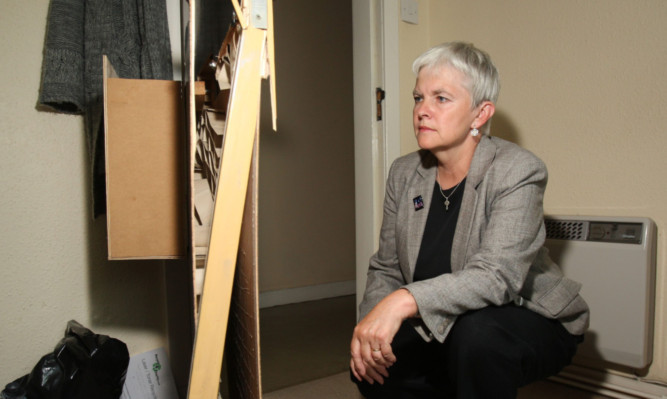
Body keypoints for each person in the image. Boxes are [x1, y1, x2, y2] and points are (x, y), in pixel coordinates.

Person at [349, 42, 590, 399]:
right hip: (442, 317)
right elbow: (386, 268)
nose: (422, 111)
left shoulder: (518, 170)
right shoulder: (404, 173)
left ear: (480, 114)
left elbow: (497, 277)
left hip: (525, 316)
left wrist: (402, 301)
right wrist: (370, 325)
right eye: (418, 98)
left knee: (476, 338)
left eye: (441, 99)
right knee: (373, 358)